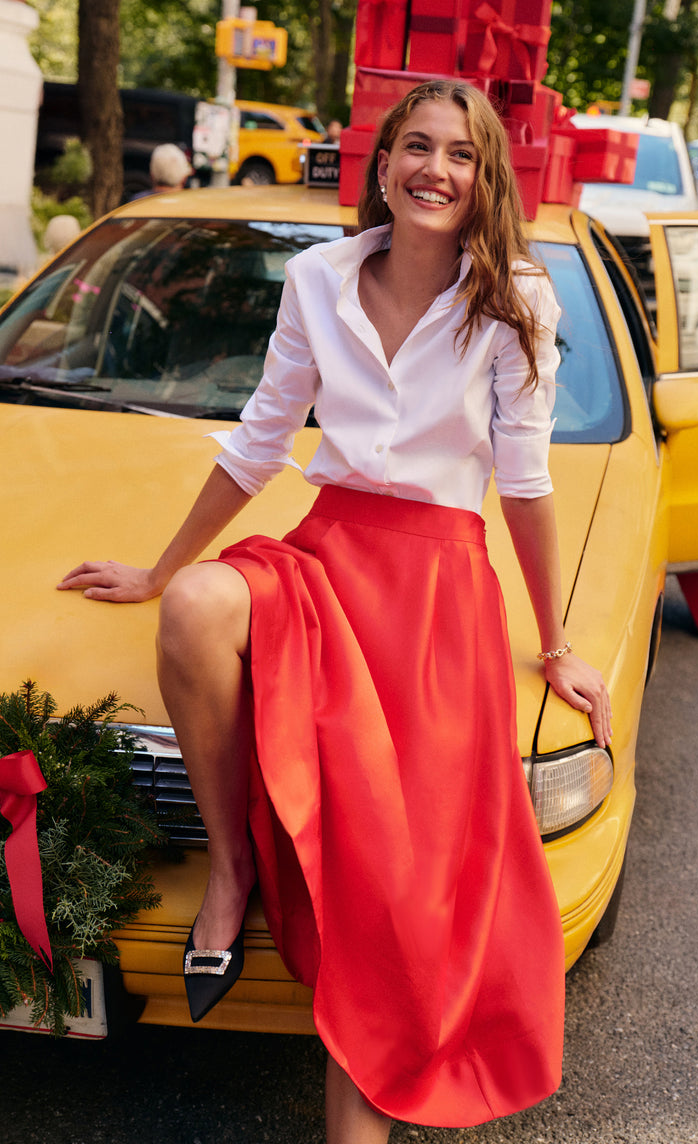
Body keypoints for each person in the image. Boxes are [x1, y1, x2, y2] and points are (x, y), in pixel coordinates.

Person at [59, 80, 611, 1142]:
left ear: (484, 177)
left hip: (437, 591)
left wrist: (554, 645)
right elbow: (262, 438)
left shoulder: (515, 299)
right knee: (201, 605)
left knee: (388, 900)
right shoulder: (317, 277)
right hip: (328, 554)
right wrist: (160, 568)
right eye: (416, 146)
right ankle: (230, 871)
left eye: (459, 155)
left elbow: (526, 484)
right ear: (383, 163)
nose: (434, 170)